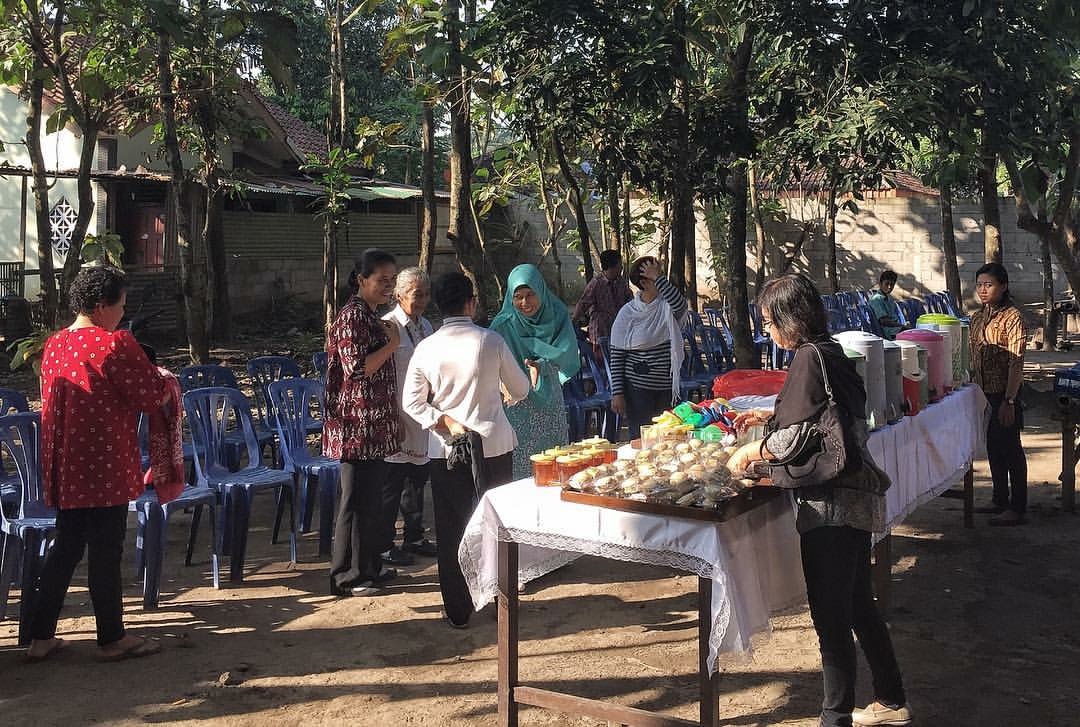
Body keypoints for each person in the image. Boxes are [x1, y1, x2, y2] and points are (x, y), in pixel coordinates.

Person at [730, 274, 911, 727]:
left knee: (831, 620)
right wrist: (771, 413)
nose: (768, 332)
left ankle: (835, 718)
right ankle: (891, 699)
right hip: (855, 497)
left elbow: (796, 437)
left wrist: (755, 449)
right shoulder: (830, 351)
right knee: (858, 606)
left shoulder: (808, 357)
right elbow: (825, 414)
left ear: (792, 319)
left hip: (829, 504)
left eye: (770, 322)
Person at [27, 265, 170, 661]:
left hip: (65, 464)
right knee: (107, 549)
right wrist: (162, 376)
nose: (123, 314)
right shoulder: (114, 344)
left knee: (67, 547)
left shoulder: (54, 344)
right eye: (121, 305)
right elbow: (149, 394)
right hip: (104, 463)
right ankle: (112, 637)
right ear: (101, 306)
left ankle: (40, 637)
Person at [402, 272, 532, 628]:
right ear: (471, 303)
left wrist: (444, 421)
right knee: (498, 525)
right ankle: (500, 601)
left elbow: (411, 403)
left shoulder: (425, 347)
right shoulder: (490, 341)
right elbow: (520, 388)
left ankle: (457, 609)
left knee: (451, 527)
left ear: (439, 306)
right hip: (493, 446)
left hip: (446, 449)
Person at [324, 248, 401, 597]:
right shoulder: (352, 316)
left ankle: (369, 566)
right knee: (354, 503)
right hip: (355, 426)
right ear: (361, 279)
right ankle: (346, 576)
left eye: (392, 280)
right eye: (381, 280)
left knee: (372, 501)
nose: (388, 286)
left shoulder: (371, 315)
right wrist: (394, 343)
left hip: (375, 427)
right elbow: (357, 369)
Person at [490, 264, 580, 479]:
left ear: (540, 291)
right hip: (516, 403)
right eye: (518, 296)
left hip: (549, 397)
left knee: (555, 458)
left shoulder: (557, 314)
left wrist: (542, 366)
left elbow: (567, 353)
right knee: (522, 463)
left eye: (530, 295)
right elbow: (489, 362)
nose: (524, 303)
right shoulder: (502, 325)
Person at [380, 267, 438, 567]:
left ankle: (414, 535)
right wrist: (391, 415)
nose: (422, 301)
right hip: (397, 414)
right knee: (392, 481)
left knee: (417, 478)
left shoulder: (426, 325)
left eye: (426, 294)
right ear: (399, 294)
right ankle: (384, 544)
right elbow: (382, 376)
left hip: (421, 414)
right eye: (417, 295)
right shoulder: (388, 326)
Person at [970, 262, 1027, 526]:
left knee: (1011, 449)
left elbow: (1017, 362)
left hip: (1005, 395)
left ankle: (1017, 507)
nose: (983, 290)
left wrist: (1010, 400)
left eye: (989, 285)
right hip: (983, 395)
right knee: (993, 448)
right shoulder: (977, 317)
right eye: (980, 284)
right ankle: (999, 499)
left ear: (1003, 287)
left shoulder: (1013, 317)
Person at [608, 257, 688, 439]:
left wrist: (658, 277)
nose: (660, 279)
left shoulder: (666, 308)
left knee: (667, 438)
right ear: (643, 282)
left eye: (661, 275)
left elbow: (680, 304)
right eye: (655, 277)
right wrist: (617, 393)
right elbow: (617, 356)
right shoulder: (627, 314)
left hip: (666, 387)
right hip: (638, 390)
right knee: (642, 438)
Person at [572, 250, 633, 363]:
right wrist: (573, 322)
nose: (622, 267)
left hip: (618, 328)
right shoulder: (596, 283)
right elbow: (583, 303)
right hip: (600, 330)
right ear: (613, 266)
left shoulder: (621, 282)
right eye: (620, 264)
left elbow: (630, 299)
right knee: (602, 362)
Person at [867, 271, 907, 340]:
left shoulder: (889, 298)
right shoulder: (876, 299)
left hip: (895, 329)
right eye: (887, 284)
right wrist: (901, 325)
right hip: (888, 333)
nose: (889, 287)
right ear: (880, 284)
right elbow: (884, 321)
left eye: (892, 284)